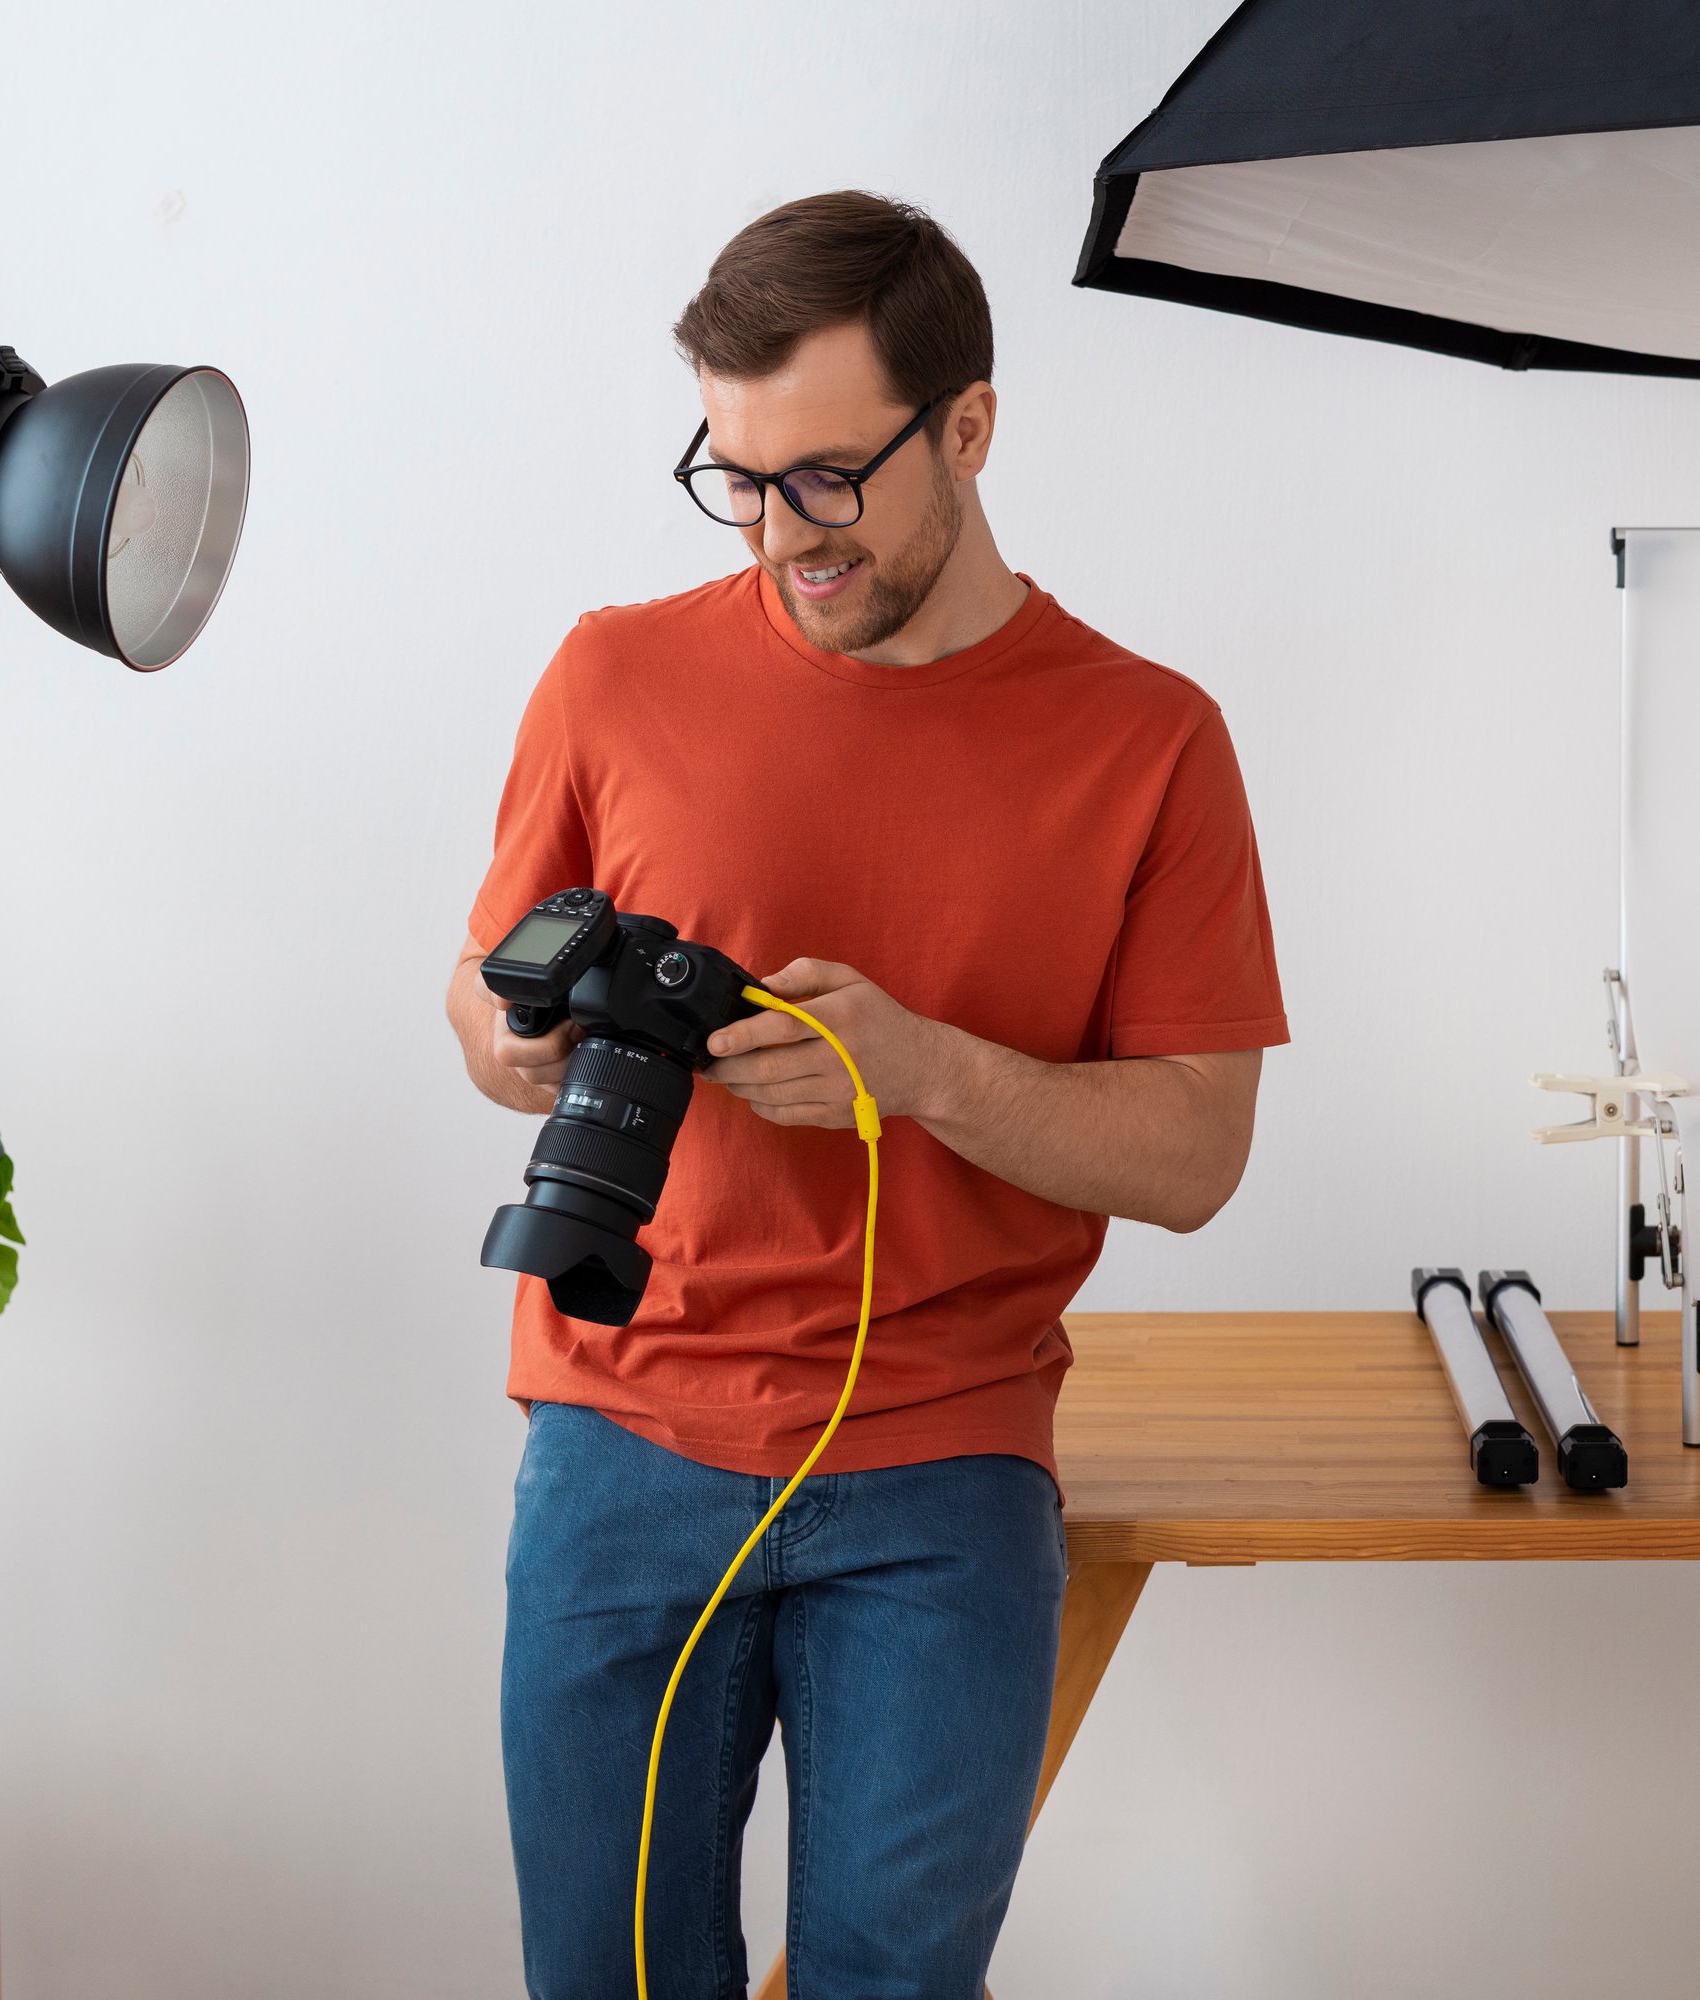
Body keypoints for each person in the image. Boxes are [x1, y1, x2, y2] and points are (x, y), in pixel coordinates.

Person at [448, 190, 1286, 1999]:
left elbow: (1198, 1155)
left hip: (942, 1466)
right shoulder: (612, 671)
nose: (776, 535)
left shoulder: (1149, 740)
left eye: (824, 477)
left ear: (965, 428)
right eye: (734, 478)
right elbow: (480, 982)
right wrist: (510, 1038)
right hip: (621, 1428)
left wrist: (923, 1074)